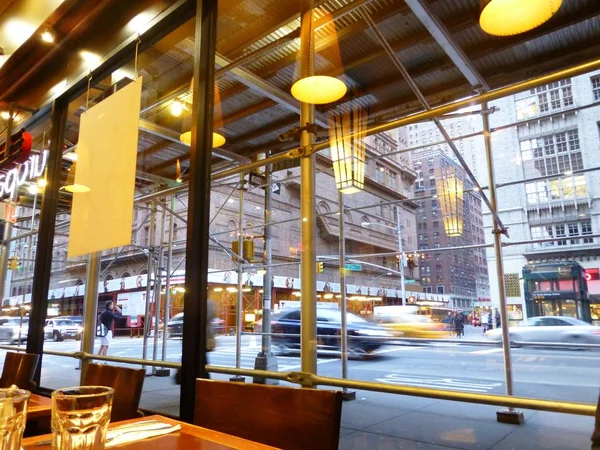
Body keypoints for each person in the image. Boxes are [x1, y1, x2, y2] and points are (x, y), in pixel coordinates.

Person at [175, 299, 217, 384]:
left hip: (193, 338)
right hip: (201, 338)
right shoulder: (208, 303)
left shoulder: (195, 303)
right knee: (201, 362)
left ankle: (189, 380)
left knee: (195, 361)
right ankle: (201, 383)